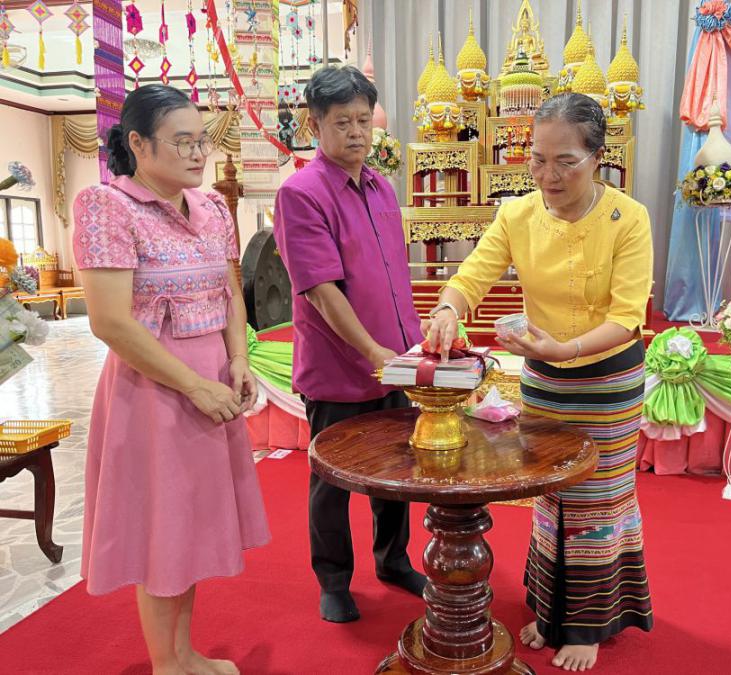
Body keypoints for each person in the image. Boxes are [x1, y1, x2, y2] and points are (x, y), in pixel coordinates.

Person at [425, 93, 654, 672]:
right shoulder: (518, 215)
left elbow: (627, 316)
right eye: (538, 159)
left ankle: (589, 625)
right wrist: (448, 308)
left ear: (597, 158)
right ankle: (552, 613)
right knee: (551, 496)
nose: (548, 175)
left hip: (606, 381)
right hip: (545, 382)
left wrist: (565, 349)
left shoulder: (628, 218)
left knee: (597, 500)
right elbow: (472, 275)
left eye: (566, 162)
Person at [73, 84, 270, 675]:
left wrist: (238, 359)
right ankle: (167, 664)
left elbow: (231, 293)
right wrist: (193, 385)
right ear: (138, 144)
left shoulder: (211, 208)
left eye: (201, 141)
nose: (197, 153)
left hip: (212, 380)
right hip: (154, 389)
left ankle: (184, 654)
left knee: (190, 528)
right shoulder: (107, 206)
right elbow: (110, 322)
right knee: (163, 530)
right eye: (182, 142)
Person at [273, 65, 426, 624]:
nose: (357, 132)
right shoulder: (301, 194)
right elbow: (320, 291)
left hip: (397, 362)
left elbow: (394, 279)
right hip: (340, 368)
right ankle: (334, 580)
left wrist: (411, 347)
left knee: (398, 472)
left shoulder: (381, 186)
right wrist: (372, 352)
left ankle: (393, 561)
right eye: (343, 122)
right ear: (315, 125)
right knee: (331, 481)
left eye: (364, 120)